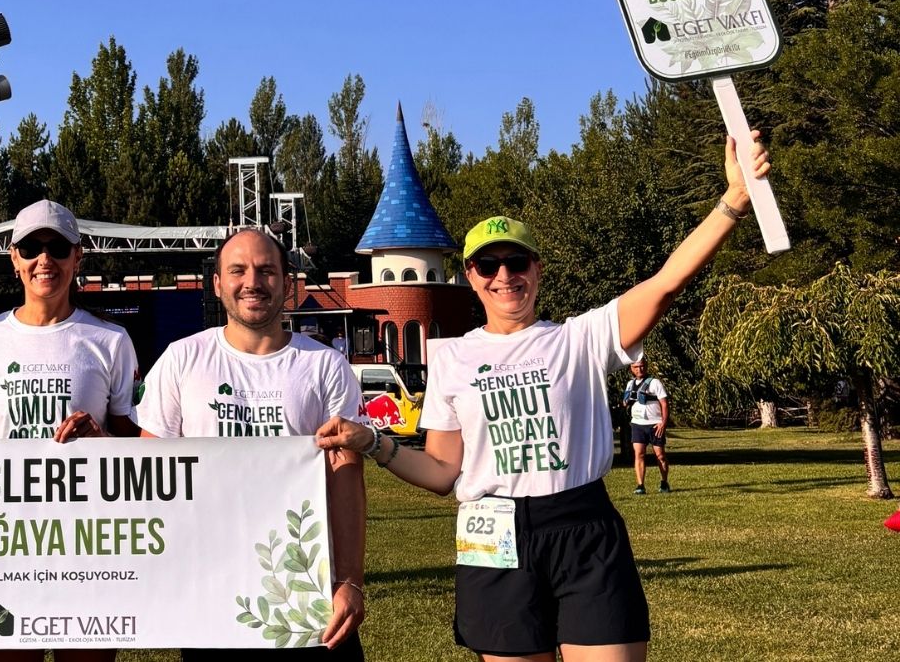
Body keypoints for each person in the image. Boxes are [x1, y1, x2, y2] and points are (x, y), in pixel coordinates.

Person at [317, 134, 770, 662]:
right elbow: (442, 471)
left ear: (537, 269)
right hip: (491, 536)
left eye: (517, 262)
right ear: (470, 277)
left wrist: (733, 202)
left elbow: (666, 284)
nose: (504, 276)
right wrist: (372, 442)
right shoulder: (453, 358)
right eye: (488, 266)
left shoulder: (580, 338)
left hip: (583, 527)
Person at [136, 228, 365, 659]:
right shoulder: (182, 359)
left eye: (266, 271)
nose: (252, 283)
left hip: (307, 588)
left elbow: (345, 477)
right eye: (237, 270)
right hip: (210, 591)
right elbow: (152, 476)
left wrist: (350, 580)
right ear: (217, 283)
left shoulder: (325, 366)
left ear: (287, 282)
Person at [0, 199, 140, 662]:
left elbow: (136, 446)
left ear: (78, 257)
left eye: (58, 247)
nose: (44, 259)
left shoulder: (111, 340)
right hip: (7, 539)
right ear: (14, 258)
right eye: (31, 248)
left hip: (89, 542)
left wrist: (101, 440)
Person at [622, 360, 670, 494]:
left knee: (660, 455)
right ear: (631, 368)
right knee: (639, 454)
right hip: (637, 424)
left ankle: (664, 482)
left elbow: (664, 404)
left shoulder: (655, 383)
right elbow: (625, 403)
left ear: (646, 366)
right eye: (636, 367)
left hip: (655, 424)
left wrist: (663, 423)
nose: (639, 369)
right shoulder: (630, 384)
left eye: (642, 366)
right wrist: (626, 400)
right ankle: (640, 485)